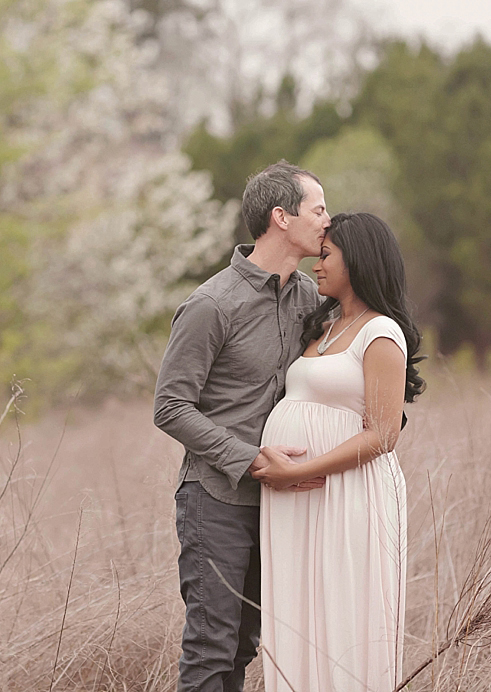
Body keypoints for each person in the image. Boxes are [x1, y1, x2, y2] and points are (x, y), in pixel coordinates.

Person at [154, 160, 331, 690]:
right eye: (318, 209)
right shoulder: (211, 305)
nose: (328, 220)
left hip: (281, 503)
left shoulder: (312, 300)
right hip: (215, 499)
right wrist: (253, 460)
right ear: (281, 216)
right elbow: (170, 406)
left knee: (243, 645)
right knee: (211, 645)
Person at [252, 212, 424, 691]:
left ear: (360, 260)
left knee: (345, 614)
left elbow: (384, 435)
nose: (317, 265)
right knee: (297, 614)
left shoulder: (381, 332)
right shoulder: (322, 327)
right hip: (296, 500)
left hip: (349, 494)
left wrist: (297, 471)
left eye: (326, 256)